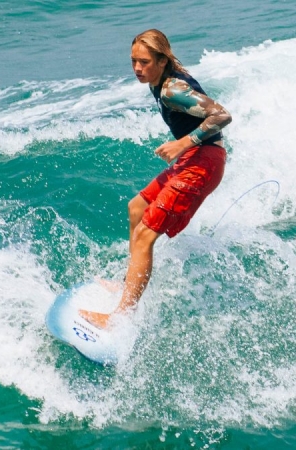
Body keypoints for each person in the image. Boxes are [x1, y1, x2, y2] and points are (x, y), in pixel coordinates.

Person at [79, 29, 232, 329]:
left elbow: (222, 115)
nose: (137, 68)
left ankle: (121, 317)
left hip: (203, 161)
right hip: (195, 158)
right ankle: (129, 285)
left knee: (145, 234)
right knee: (136, 208)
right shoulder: (160, 80)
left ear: (162, 61)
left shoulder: (172, 89)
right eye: (134, 61)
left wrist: (183, 143)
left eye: (145, 62)